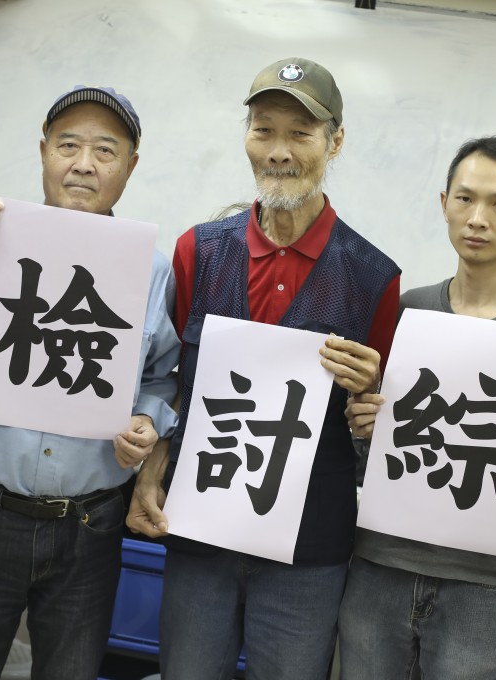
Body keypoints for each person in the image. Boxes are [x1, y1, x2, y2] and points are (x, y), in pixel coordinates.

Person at [127, 57, 401, 680]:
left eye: (300, 134)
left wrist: (371, 393)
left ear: (335, 143)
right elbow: (171, 382)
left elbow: (375, 420)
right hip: (199, 531)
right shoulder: (198, 249)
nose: (278, 151)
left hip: (307, 553)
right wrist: (152, 469)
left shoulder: (374, 277)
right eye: (263, 129)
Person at [0, 85, 179, 680]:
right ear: (43, 152)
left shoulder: (154, 269)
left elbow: (163, 376)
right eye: (68, 145)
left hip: (90, 524)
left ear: (130, 167)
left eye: (105, 151)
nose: (83, 163)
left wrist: (146, 421)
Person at [338, 136, 496, 679]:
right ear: (443, 202)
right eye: (465, 199)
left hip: (480, 582)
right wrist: (365, 422)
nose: (478, 218)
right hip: (380, 564)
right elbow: (367, 451)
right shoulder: (404, 313)